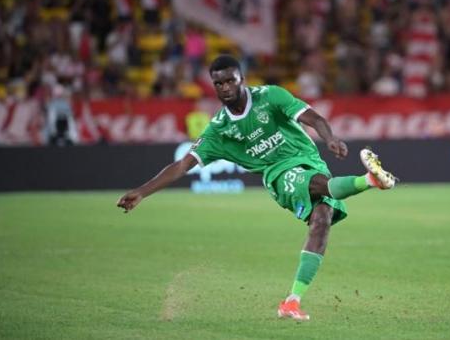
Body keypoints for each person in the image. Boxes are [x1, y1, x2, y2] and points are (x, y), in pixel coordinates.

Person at [116, 54, 397, 321]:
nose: (225, 87)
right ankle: (371, 180)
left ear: (242, 79)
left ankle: (292, 301)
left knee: (322, 221)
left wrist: (330, 138)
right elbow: (181, 165)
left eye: (230, 80)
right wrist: (142, 191)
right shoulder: (219, 129)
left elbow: (312, 118)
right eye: (219, 83)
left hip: (311, 160)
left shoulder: (270, 96)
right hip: (278, 174)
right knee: (316, 187)